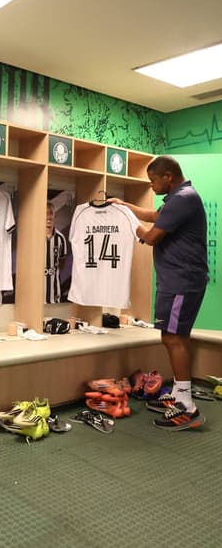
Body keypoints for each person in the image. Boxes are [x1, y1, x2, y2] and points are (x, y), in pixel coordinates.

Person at [110, 155, 208, 431]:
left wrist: (127, 221)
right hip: (177, 281)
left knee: (173, 337)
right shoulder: (180, 196)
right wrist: (125, 206)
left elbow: (150, 236)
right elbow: (155, 216)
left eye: (153, 180)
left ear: (168, 176)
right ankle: (178, 393)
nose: (151, 185)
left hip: (181, 281)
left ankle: (186, 405)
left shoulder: (183, 198)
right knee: (174, 336)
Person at [45, 202, 68, 304]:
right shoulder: (33, 236)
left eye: (50, 213)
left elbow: (62, 262)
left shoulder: (60, 238)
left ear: (55, 215)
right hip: (36, 292)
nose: (48, 217)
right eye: (45, 213)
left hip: (54, 294)